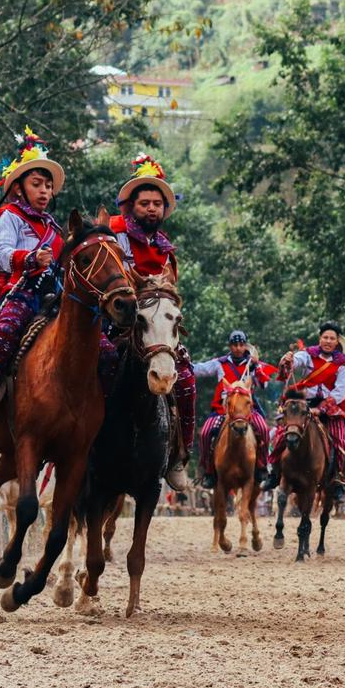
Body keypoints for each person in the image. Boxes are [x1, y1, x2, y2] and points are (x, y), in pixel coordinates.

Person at [0, 129, 66, 439]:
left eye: (48, 186)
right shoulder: (11, 216)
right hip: (16, 294)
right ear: (18, 188)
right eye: (37, 184)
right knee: (4, 331)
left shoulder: (54, 229)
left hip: (52, 298)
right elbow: (1, 254)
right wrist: (31, 259)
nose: (45, 191)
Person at [99, 155, 197, 490]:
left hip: (154, 325)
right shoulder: (114, 237)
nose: (152, 208)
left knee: (186, 378)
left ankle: (178, 456)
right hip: (115, 320)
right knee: (100, 365)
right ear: (131, 206)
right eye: (145, 203)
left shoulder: (166, 248)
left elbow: (171, 289)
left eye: (157, 203)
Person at [264, 321, 345, 501]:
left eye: (332, 338)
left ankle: (339, 480)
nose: (328, 341)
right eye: (325, 337)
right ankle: (273, 472)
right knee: (281, 433)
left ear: (337, 341)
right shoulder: (308, 354)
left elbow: (339, 393)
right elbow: (296, 362)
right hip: (303, 404)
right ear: (320, 339)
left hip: (330, 407)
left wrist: (320, 409)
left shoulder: (343, 365)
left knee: (341, 440)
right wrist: (289, 360)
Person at [193, 330, 276, 488]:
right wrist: (183, 363)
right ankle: (208, 470)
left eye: (241, 345)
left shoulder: (252, 364)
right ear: (229, 346)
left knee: (264, 430)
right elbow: (199, 369)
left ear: (245, 345)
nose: (238, 348)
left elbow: (264, 384)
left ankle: (262, 467)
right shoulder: (220, 363)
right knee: (205, 433)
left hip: (247, 410)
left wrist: (254, 368)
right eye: (234, 345)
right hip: (223, 409)